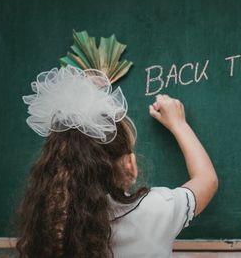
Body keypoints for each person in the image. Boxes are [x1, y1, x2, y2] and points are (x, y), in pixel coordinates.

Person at [16, 65, 218, 258]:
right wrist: (178, 124)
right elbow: (207, 180)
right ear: (130, 165)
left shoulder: (48, 225)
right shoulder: (153, 211)